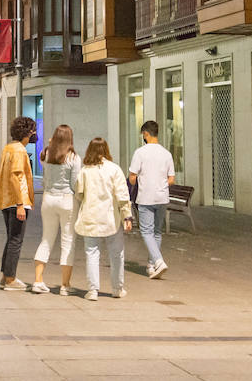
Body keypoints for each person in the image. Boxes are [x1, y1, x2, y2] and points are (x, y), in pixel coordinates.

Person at [73, 137, 132, 301]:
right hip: (111, 219)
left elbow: (79, 194)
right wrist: (127, 216)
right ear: (106, 150)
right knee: (116, 254)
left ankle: (92, 290)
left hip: (90, 219)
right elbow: (122, 195)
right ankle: (117, 288)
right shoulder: (114, 169)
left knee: (92, 254)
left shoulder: (84, 171)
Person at [32, 124, 80, 295]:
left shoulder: (45, 154)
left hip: (48, 199)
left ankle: (38, 281)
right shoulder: (73, 158)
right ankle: (65, 285)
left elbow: (43, 169)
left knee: (46, 239)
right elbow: (75, 183)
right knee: (68, 241)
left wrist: (50, 143)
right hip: (67, 200)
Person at [128, 120, 175, 279]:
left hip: (146, 197)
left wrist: (138, 182)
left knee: (146, 231)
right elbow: (171, 179)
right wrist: (160, 184)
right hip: (162, 197)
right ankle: (151, 265)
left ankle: (159, 261)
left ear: (146, 134)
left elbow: (132, 177)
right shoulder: (166, 153)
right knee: (156, 232)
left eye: (143, 135)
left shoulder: (140, 153)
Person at [0, 116, 37, 291]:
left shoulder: (8, 148)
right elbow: (15, 176)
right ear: (27, 133)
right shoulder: (19, 151)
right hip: (17, 201)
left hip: (6, 200)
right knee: (16, 241)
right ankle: (10, 279)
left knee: (11, 239)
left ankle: (6, 276)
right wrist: (21, 203)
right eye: (33, 130)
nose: (35, 134)